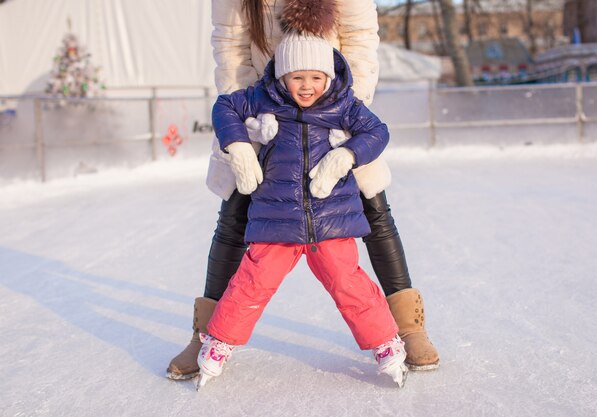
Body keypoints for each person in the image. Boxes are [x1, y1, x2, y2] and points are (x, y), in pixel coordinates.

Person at [166, 0, 439, 381]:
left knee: (374, 212)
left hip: (335, 112)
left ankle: (408, 326)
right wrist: (252, 123)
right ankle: (206, 333)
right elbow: (229, 48)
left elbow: (360, 39)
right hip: (263, 115)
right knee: (234, 218)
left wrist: (341, 109)